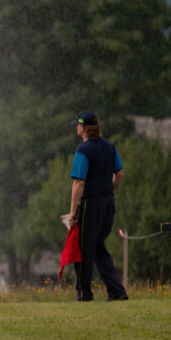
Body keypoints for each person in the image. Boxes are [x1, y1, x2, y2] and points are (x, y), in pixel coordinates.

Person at [61, 110, 128, 302]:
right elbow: (120, 174)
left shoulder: (83, 150)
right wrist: (109, 190)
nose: (76, 127)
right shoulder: (109, 147)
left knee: (83, 248)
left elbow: (78, 183)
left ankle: (84, 294)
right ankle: (117, 291)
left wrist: (73, 212)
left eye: (78, 125)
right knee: (98, 247)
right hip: (108, 203)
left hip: (90, 204)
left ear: (83, 127)